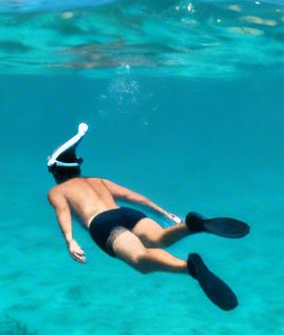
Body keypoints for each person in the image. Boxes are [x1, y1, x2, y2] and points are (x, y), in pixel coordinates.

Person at [45, 123, 250, 310]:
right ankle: (192, 225)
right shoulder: (97, 181)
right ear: (77, 167)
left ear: (55, 171)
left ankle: (189, 268)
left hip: (102, 223)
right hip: (126, 213)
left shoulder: (57, 191)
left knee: (140, 259)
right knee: (159, 238)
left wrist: (70, 241)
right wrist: (163, 213)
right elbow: (134, 197)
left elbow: (63, 212)